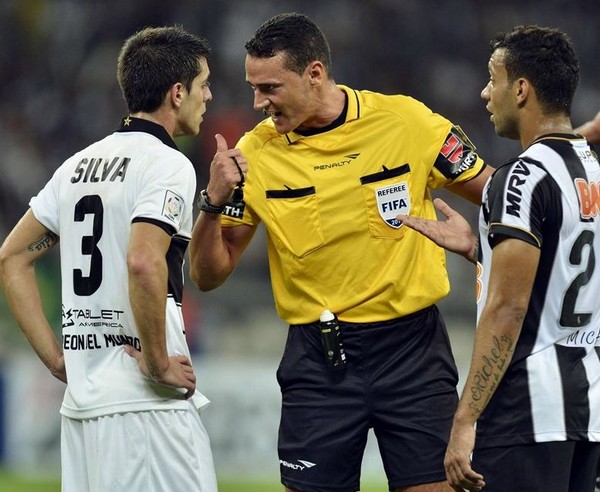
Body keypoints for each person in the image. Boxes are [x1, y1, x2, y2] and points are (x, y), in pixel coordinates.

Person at [189, 12, 492, 492]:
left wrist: (478, 246)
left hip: (412, 353)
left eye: (269, 88)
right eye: (253, 88)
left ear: (314, 73)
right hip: (318, 359)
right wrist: (211, 203)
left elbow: (498, 195)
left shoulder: (406, 122)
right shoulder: (254, 153)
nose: (258, 102)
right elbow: (208, 274)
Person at [0, 26, 223, 491]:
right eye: (203, 84)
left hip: (83, 408)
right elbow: (143, 260)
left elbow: (12, 257)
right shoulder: (168, 164)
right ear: (177, 93)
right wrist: (159, 364)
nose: (208, 95)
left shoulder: (76, 167)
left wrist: (57, 360)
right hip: (146, 409)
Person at [399, 25, 600, 492]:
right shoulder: (592, 171)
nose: (485, 93)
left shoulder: (519, 178)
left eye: (494, 79)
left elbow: (508, 310)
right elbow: (565, 270)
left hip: (526, 414)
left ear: (522, 89)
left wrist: (465, 419)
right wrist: (480, 250)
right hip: (589, 410)